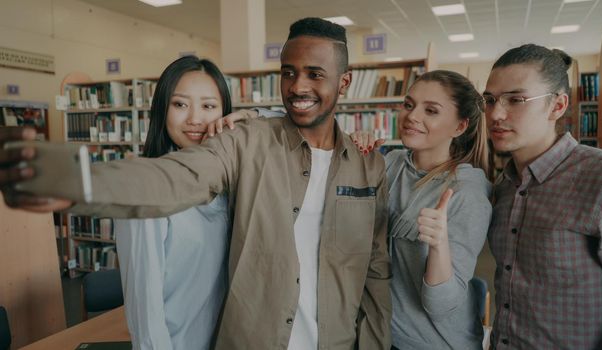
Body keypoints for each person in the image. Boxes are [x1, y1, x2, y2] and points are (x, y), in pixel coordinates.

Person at [0, 17, 391, 349]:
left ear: (345, 83)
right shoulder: (249, 141)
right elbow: (174, 177)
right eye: (288, 72)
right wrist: (75, 181)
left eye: (315, 74)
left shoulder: (368, 168)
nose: (297, 86)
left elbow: (374, 273)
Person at [484, 44, 602, 349]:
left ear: (557, 106)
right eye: (490, 100)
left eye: (516, 99)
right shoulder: (504, 185)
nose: (496, 113)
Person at [351, 70, 492, 349]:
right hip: (380, 334)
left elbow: (442, 306)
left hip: (431, 343)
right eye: (408, 105)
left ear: (459, 127)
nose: (412, 116)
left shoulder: (467, 194)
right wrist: (354, 153)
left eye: (431, 110)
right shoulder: (392, 163)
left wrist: (439, 245)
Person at [114, 55, 231, 350]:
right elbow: (145, 311)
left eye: (209, 106)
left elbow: (286, 126)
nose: (195, 118)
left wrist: (249, 117)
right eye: (180, 104)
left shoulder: (230, 184)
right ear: (162, 110)